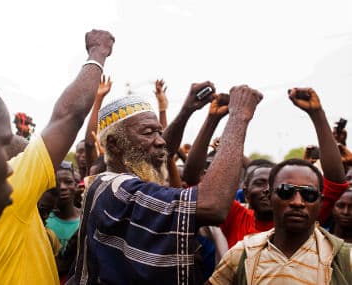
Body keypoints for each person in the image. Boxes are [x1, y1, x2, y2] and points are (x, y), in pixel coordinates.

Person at [69, 84, 263, 285]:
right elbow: (213, 205)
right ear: (114, 144)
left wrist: (187, 111)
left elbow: (157, 154)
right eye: (147, 133)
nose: (160, 141)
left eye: (159, 132)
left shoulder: (112, 183)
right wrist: (239, 117)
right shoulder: (119, 189)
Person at [0, 29, 114, 284]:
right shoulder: (15, 190)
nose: (9, 168)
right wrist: (98, 52)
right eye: (1, 144)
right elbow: (68, 116)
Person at [184, 87, 349, 248]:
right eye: (259, 183)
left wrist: (317, 114)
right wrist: (212, 119)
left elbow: (335, 181)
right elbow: (193, 178)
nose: (266, 189)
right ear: (246, 193)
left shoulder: (302, 218)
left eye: (281, 187)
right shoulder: (236, 217)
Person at [207, 158, 352, 285]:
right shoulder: (242, 254)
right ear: (269, 196)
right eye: (285, 191)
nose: (297, 202)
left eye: (309, 194)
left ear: (320, 202)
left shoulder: (345, 259)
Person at [46, 161, 80, 254]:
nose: (63, 187)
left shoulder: (86, 219)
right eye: (57, 183)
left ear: (76, 186)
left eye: (68, 182)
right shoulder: (44, 220)